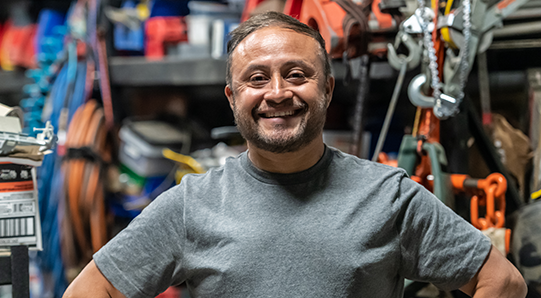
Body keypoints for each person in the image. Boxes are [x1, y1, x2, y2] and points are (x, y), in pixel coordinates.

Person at [63, 11, 526, 298]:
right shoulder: (191, 205)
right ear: (232, 97)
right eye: (257, 78)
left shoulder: (388, 196)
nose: (278, 93)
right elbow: (92, 290)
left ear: (326, 88)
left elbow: (502, 282)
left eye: (297, 74)